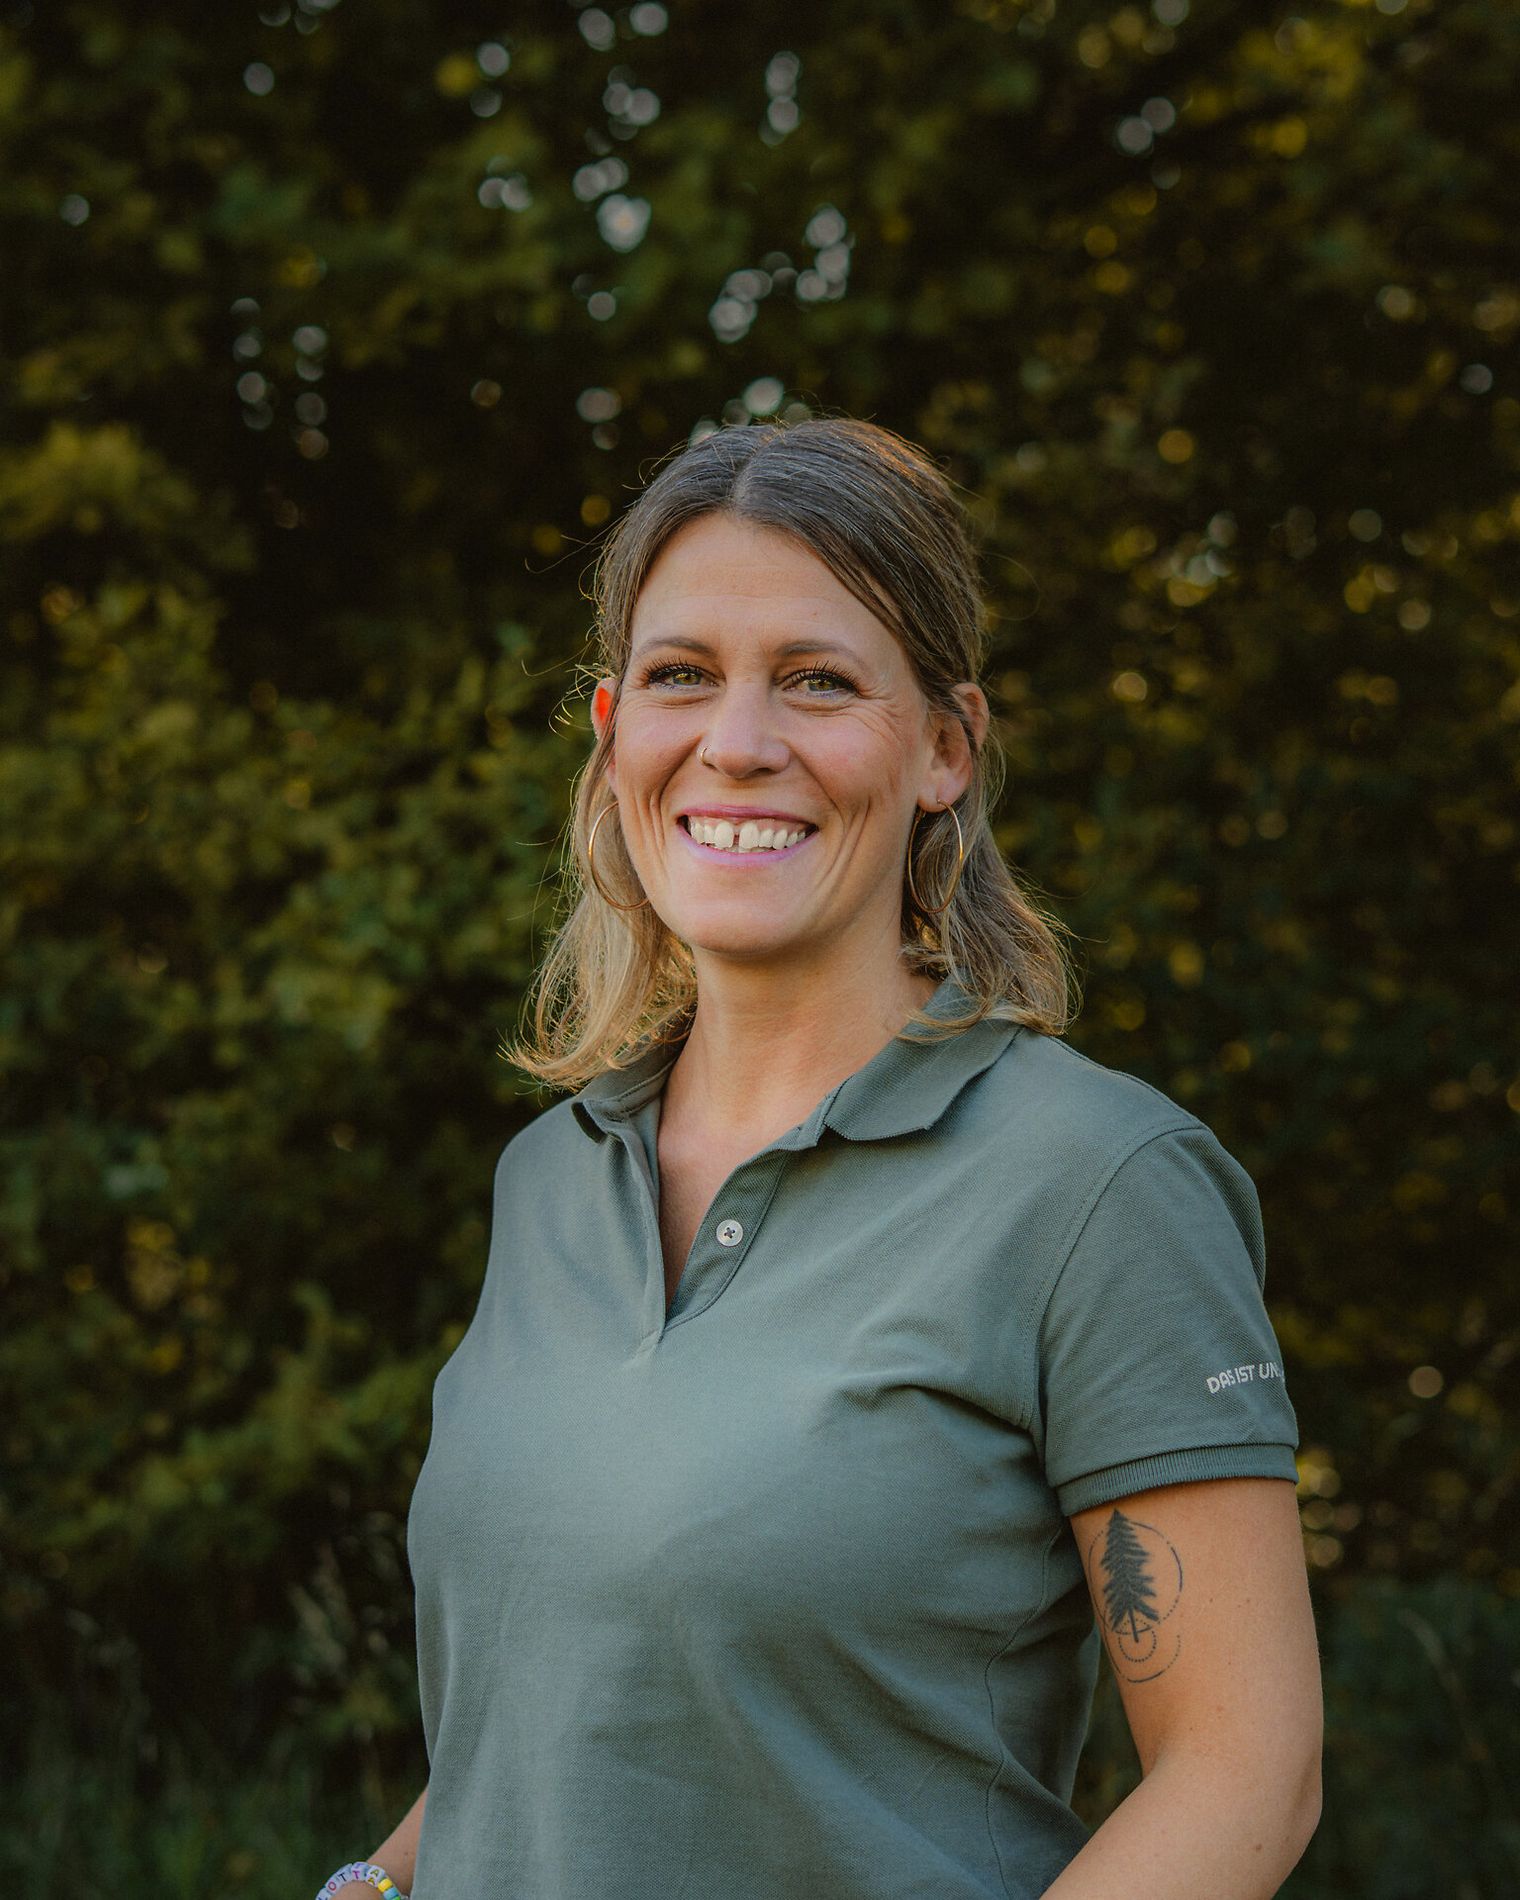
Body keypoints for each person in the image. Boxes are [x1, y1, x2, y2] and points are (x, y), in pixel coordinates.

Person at [317, 416, 1322, 1900]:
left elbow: (1246, 1775)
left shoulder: (1097, 1183)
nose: (737, 742)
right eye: (681, 675)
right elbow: (548, 1725)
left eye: (817, 680)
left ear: (943, 749)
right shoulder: (553, 1177)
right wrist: (368, 1890)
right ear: (612, 731)